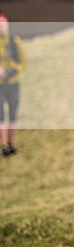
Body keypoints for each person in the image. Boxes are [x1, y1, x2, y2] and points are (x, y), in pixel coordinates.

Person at [0, 12, 24, 157]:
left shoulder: (14, 41)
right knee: (1, 116)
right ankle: (4, 146)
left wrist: (9, 71)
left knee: (13, 115)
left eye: (3, 25)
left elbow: (22, 63)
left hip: (13, 84)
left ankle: (11, 143)